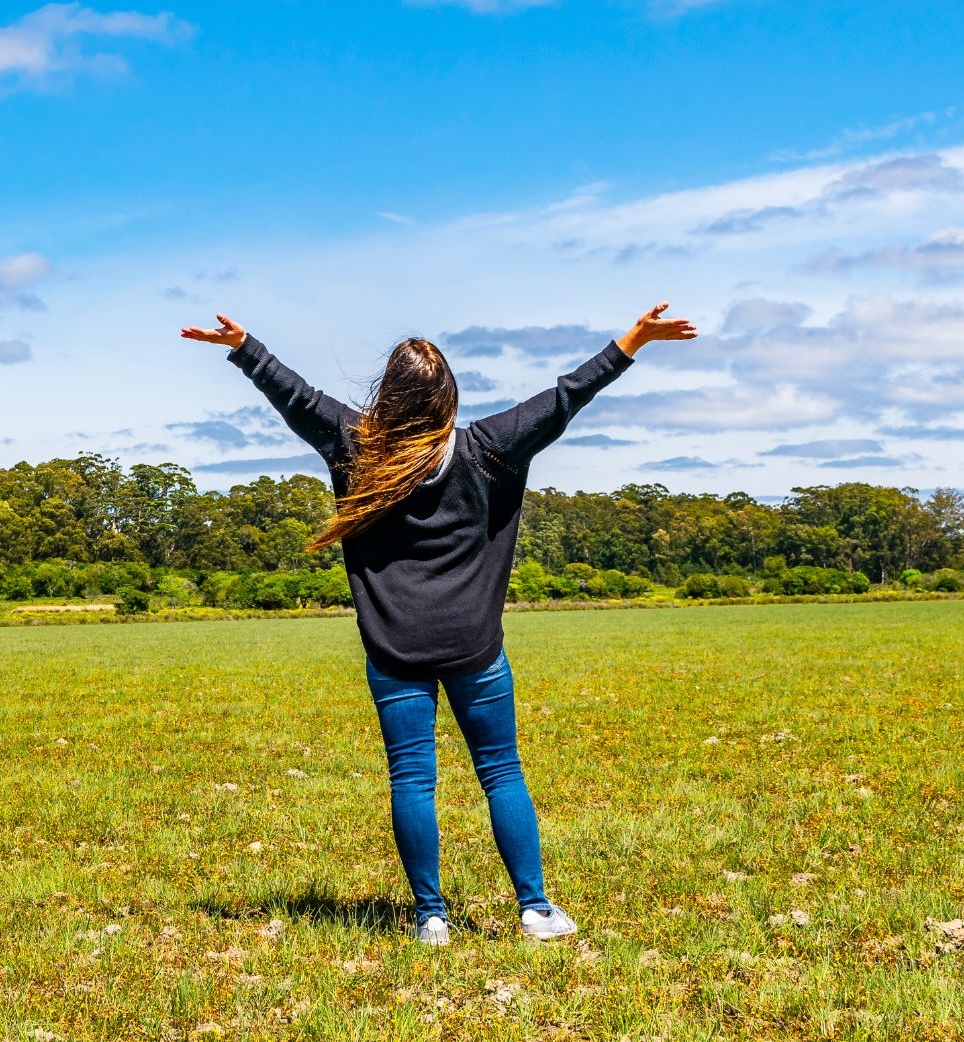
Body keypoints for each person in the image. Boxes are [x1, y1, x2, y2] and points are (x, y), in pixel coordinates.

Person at [180, 303, 696, 944]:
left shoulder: (355, 445)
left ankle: (431, 917)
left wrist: (245, 347)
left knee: (412, 779)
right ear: (448, 395)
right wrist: (632, 341)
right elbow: (566, 396)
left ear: (389, 396)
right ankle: (535, 910)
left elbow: (297, 396)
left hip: (393, 650)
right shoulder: (488, 447)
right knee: (501, 771)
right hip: (475, 649)